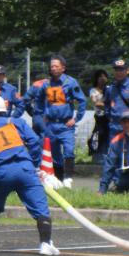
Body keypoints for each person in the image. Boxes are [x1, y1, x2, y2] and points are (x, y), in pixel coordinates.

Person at [0, 94, 59, 256]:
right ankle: (46, 244)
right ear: (4, 110)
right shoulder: (17, 122)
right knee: (41, 208)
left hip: (2, 171)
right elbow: (34, 141)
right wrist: (33, 164)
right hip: (25, 169)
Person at [34, 55, 87, 187]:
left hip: (65, 124)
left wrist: (76, 118)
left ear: (63, 68)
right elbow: (39, 99)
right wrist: (41, 115)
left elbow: (82, 100)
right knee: (54, 152)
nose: (54, 68)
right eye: (52, 66)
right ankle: (58, 177)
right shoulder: (46, 84)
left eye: (57, 66)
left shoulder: (70, 82)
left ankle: (68, 177)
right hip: (51, 124)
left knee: (69, 149)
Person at [88, 69, 110, 158]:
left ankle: (106, 154)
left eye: (104, 76)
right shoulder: (93, 90)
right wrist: (108, 105)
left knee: (108, 136)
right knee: (99, 134)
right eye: (100, 76)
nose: (102, 78)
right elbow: (96, 103)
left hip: (109, 117)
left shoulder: (109, 89)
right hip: (99, 117)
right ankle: (97, 155)